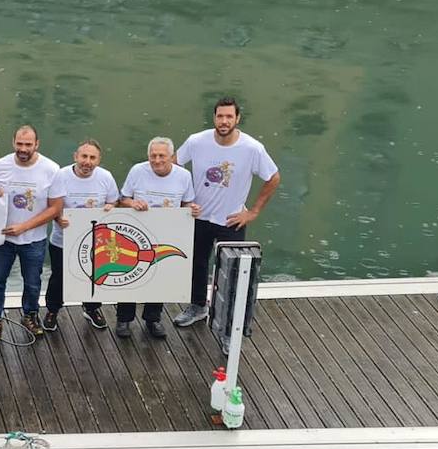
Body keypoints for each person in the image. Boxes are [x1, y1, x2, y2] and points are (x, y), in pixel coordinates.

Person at [173, 97, 281, 327]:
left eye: (229, 116)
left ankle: (227, 318)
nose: (224, 121)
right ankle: (198, 306)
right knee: (197, 264)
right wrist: (184, 200)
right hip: (199, 216)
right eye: (220, 116)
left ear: (237, 118)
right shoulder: (196, 141)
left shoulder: (252, 149)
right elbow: (175, 165)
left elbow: (273, 178)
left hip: (232, 220)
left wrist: (253, 212)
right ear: (214, 117)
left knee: (230, 271)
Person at [118, 137, 201, 338]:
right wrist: (133, 204)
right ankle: (124, 320)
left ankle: (153, 319)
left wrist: (193, 209)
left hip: (166, 233)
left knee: (159, 277)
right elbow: (122, 199)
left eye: (161, 156)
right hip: (136, 232)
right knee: (130, 274)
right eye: (153, 155)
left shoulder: (183, 176)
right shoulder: (137, 171)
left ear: (171, 157)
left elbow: (187, 202)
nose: (157, 160)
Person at [0, 125, 60, 342]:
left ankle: (30, 315)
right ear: (13, 143)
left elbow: (55, 208)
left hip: (34, 239)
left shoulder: (51, 169)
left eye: (28, 144)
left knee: (33, 282)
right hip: (2, 238)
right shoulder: (0, 165)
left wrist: (24, 227)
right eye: (20, 144)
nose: (23, 148)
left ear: (37, 144)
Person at [44, 139, 120, 332]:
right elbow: (51, 205)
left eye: (92, 157)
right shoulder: (60, 175)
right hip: (63, 240)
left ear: (99, 159)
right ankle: (52, 310)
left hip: (95, 241)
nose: (87, 161)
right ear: (75, 157)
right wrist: (57, 218)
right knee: (59, 277)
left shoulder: (106, 177)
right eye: (84, 156)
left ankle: (92, 308)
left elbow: (114, 201)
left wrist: (112, 206)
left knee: (94, 275)